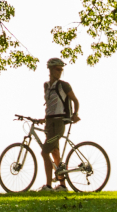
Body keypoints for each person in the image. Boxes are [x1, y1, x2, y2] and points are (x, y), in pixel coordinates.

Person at [40, 57, 80, 191]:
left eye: (61, 69)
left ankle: (48, 185)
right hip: (49, 122)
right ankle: (62, 186)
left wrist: (75, 114)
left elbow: (75, 100)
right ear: (50, 70)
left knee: (44, 152)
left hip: (58, 123)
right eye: (57, 69)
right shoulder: (46, 86)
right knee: (55, 152)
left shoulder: (64, 85)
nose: (60, 72)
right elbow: (50, 105)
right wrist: (43, 118)